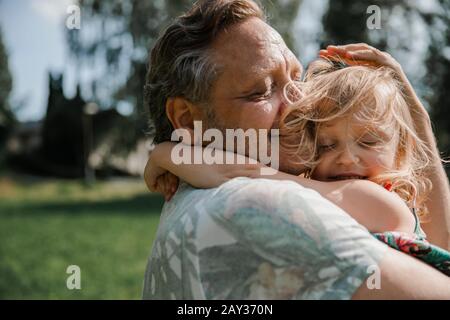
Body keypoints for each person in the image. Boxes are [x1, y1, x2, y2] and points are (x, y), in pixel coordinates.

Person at [142, 0, 450, 299]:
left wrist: (172, 153)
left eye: (296, 78)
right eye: (261, 91)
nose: (298, 104)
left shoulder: (190, 201)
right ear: (187, 119)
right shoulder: (266, 208)